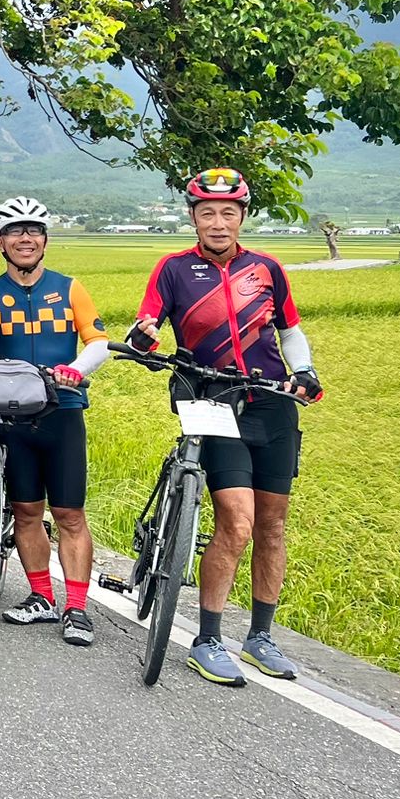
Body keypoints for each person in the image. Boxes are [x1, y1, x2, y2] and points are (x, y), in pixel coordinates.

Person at [128, 168, 322, 686]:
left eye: (228, 213)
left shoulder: (267, 269)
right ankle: (208, 638)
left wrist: (304, 372)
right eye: (207, 213)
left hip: (270, 400)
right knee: (237, 522)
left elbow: (291, 330)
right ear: (193, 217)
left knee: (272, 525)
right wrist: (144, 337)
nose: (218, 222)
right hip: (210, 399)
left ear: (241, 217)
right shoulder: (173, 269)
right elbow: (147, 323)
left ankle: (260, 636)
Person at [0, 197, 106, 647]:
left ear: (45, 240)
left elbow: (98, 342)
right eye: (15, 232)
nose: (25, 238)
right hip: (12, 415)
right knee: (27, 512)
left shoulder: (69, 288)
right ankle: (41, 597)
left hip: (63, 411)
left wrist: (77, 370)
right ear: (0, 243)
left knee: (69, 513)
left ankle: (77, 607)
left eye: (33, 230)